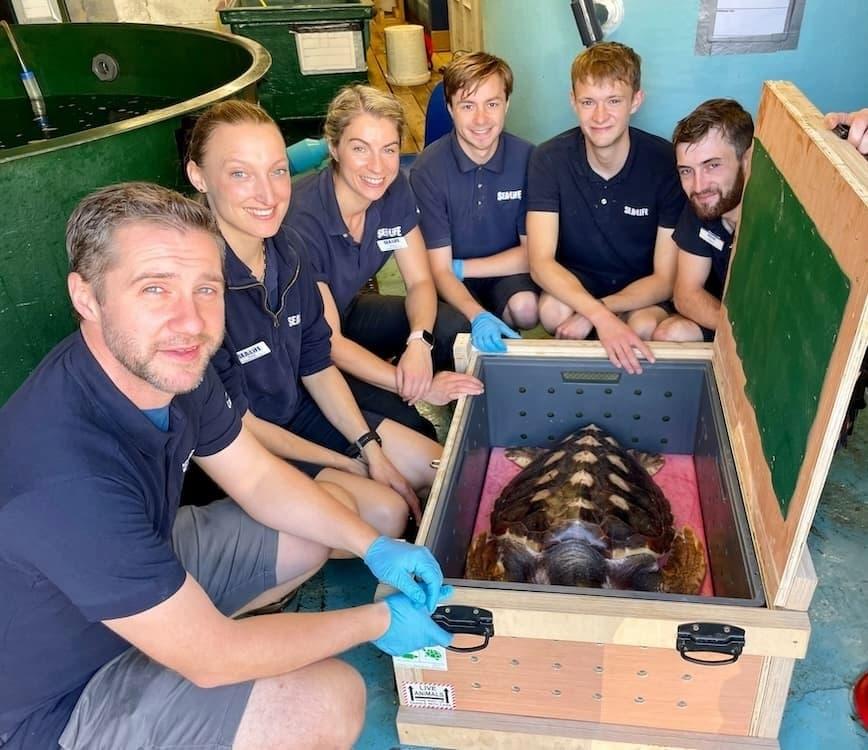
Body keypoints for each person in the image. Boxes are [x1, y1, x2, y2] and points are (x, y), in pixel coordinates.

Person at [0, 182, 453, 750]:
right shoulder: (66, 476)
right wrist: (381, 622)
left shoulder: (169, 365)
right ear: (86, 297)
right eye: (155, 289)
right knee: (329, 699)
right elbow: (214, 660)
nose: (189, 321)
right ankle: (176, 656)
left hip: (142, 566)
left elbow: (259, 477)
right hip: (55, 704)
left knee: (315, 527)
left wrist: (372, 546)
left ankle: (170, 638)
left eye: (205, 288)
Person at [185, 99, 441, 529]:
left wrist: (370, 448)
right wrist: (353, 464)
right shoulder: (197, 289)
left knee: (436, 466)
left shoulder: (287, 251)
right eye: (240, 174)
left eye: (277, 170)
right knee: (389, 513)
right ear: (199, 176)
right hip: (246, 445)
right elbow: (239, 426)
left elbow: (317, 363)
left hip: (300, 408)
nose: (267, 194)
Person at [286, 85, 483, 440]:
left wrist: (419, 343)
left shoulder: (394, 192)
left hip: (347, 313)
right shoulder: (303, 221)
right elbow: (328, 342)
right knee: (418, 430)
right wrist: (417, 387)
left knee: (451, 324)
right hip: (308, 354)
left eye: (389, 150)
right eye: (360, 148)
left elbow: (421, 282)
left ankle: (460, 404)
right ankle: (416, 395)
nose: (377, 166)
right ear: (334, 148)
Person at [525, 42, 685, 374]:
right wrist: (597, 315)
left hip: (638, 293)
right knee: (552, 311)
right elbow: (540, 263)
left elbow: (665, 278)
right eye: (588, 102)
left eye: (613, 101)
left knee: (643, 327)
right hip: (577, 286)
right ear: (573, 102)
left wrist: (597, 312)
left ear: (636, 101)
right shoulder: (548, 158)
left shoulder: (664, 163)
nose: (600, 116)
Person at [409, 52, 539, 353]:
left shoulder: (529, 159)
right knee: (458, 330)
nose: (481, 120)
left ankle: (504, 332)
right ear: (451, 109)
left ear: (506, 104)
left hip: (501, 272)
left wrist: (462, 267)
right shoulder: (427, 170)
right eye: (468, 106)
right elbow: (439, 270)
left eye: (492, 104)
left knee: (527, 309)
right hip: (449, 280)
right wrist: (476, 314)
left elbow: (533, 253)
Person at [652, 98, 753, 342]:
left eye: (712, 165)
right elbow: (686, 294)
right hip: (737, 326)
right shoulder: (702, 206)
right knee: (668, 333)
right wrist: (742, 336)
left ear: (747, 159)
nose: (698, 186)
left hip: (775, 329)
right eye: (687, 170)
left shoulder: (778, 215)